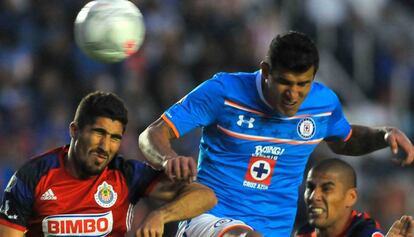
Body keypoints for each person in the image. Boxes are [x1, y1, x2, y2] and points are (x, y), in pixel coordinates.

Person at [138, 31, 414, 236]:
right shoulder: (223, 91)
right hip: (208, 219)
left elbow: (345, 140)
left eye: (303, 85)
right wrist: (168, 158)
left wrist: (383, 136)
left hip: (276, 229)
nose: (293, 95)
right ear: (266, 71)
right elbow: (152, 135)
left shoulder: (323, 105)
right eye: (284, 83)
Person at [0, 91, 217, 237]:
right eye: (98, 133)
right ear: (74, 131)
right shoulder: (32, 177)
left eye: (115, 138)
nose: (105, 146)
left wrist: (161, 215)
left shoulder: (126, 174)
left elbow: (205, 196)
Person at [296, 158, 414, 237]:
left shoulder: (365, 232)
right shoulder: (303, 232)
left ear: (351, 197)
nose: (313, 196)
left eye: (326, 189)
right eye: (310, 187)